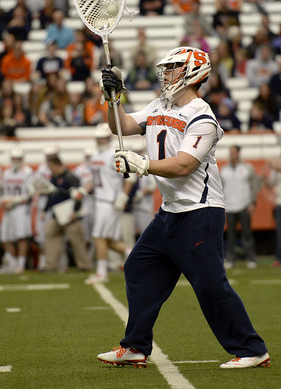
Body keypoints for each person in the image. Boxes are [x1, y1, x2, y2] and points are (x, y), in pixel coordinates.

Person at [97, 47, 269, 368]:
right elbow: (119, 126)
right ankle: (135, 345)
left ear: (193, 73)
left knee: (209, 285)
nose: (167, 73)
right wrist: (113, 99)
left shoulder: (202, 116)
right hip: (171, 212)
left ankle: (252, 349)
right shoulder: (159, 105)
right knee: (139, 267)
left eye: (174, 67)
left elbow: (183, 166)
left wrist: (142, 164)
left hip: (200, 212)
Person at [84, 122, 133, 284]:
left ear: (108, 138)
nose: (100, 141)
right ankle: (132, 253)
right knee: (107, 240)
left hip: (109, 202)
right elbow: (94, 179)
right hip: (99, 200)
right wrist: (83, 190)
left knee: (98, 236)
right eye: (98, 139)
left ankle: (101, 273)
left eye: (102, 138)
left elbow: (129, 178)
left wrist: (123, 196)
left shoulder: (114, 154)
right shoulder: (96, 156)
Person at [43, 151, 93, 272]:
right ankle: (51, 265)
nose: (50, 169)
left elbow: (78, 195)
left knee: (77, 241)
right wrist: (45, 209)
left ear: (56, 165)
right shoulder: (54, 177)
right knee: (50, 234)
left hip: (70, 215)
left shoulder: (71, 177)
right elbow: (51, 195)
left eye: (51, 167)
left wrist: (75, 212)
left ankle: (84, 265)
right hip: (57, 214)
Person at [220, 145, 261, 269]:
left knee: (247, 233)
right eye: (230, 152)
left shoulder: (247, 168)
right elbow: (220, 188)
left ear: (238, 153)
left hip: (244, 204)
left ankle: (251, 258)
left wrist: (252, 202)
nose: (231, 154)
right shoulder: (224, 169)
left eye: (233, 152)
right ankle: (231, 258)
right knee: (231, 234)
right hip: (229, 206)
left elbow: (254, 185)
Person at [0, 147, 34, 274]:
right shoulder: (6, 172)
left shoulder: (27, 171)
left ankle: (21, 264)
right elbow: (2, 190)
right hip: (8, 209)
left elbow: (30, 193)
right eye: (14, 158)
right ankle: (13, 263)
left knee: (21, 237)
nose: (16, 161)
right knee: (4, 237)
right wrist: (4, 200)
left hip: (21, 208)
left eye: (18, 158)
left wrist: (14, 201)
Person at [263, 151, 281, 268]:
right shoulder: (278, 166)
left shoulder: (278, 166)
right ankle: (280, 258)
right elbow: (271, 182)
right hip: (280, 202)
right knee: (280, 233)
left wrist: (276, 167)